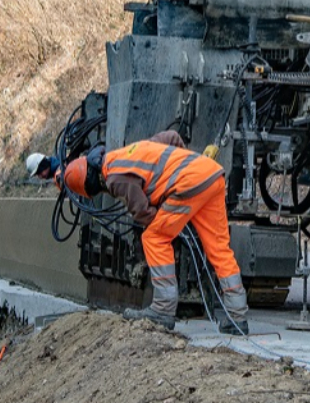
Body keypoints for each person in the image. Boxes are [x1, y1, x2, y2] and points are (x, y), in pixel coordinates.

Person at [57, 130, 249, 334]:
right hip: (211, 175)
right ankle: (237, 317)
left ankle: (163, 310)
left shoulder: (114, 178)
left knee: (154, 237)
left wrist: (167, 212)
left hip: (190, 185)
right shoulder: (131, 151)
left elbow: (143, 212)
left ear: (92, 183)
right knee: (219, 248)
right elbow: (172, 137)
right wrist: (182, 168)